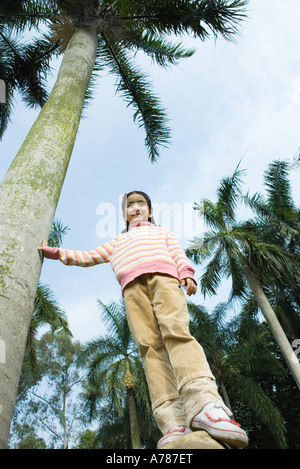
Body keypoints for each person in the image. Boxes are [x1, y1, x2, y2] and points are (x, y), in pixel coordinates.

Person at [39, 190, 248, 449]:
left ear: (150, 211)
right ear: (124, 214)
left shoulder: (161, 232)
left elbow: (178, 253)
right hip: (132, 291)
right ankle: (173, 421)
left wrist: (186, 272)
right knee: (150, 350)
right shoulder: (117, 241)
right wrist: (58, 253)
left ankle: (206, 405)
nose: (135, 207)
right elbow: (89, 256)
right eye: (129, 205)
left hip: (165, 280)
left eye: (140, 203)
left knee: (177, 333)